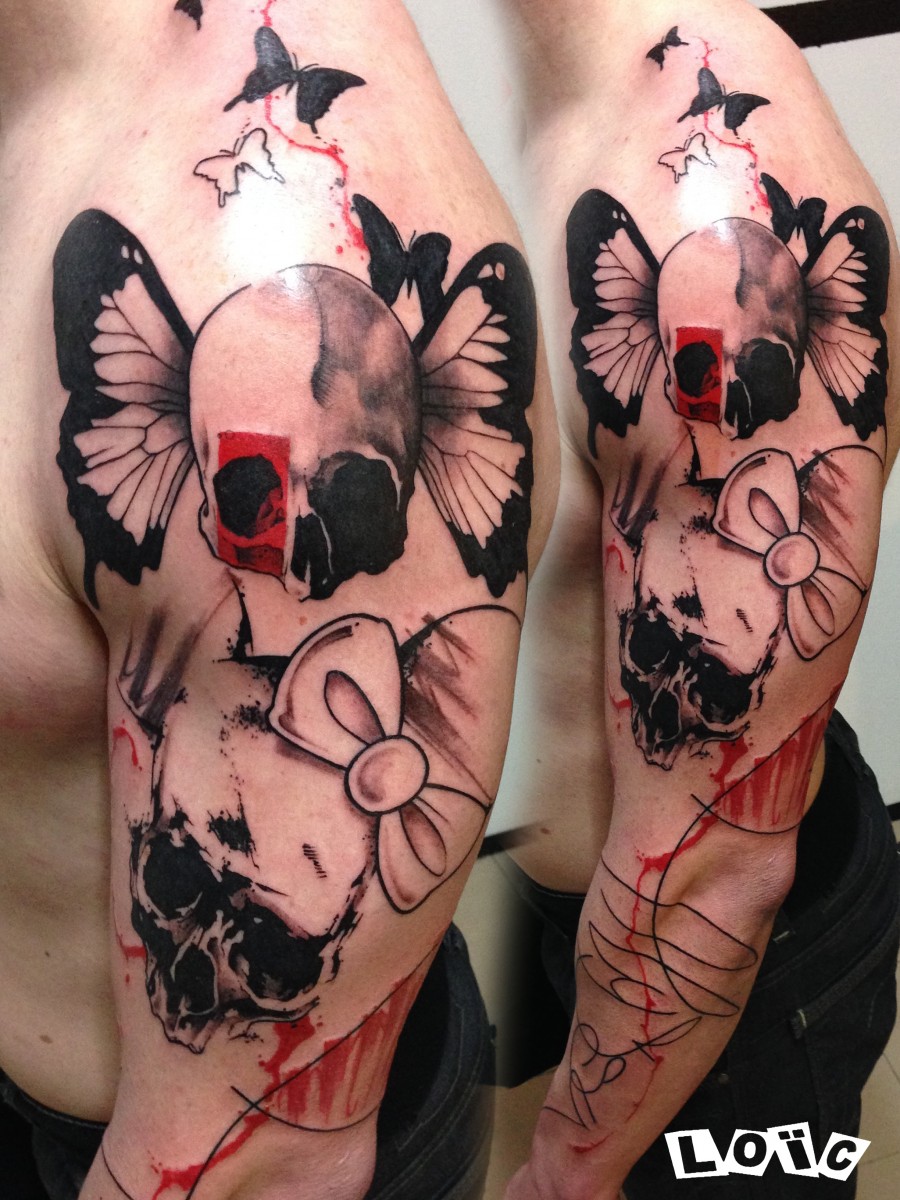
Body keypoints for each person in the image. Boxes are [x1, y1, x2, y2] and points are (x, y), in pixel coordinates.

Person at [0, 3, 557, 1198]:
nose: (300, 563)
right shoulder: (62, 118)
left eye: (347, 504)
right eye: (252, 499)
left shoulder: (245, 251)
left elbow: (257, 1160)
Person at [496, 0, 900, 1196]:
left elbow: (718, 864)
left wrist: (564, 1170)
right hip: (612, 909)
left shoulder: (723, 217)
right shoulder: (559, 106)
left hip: (724, 986)